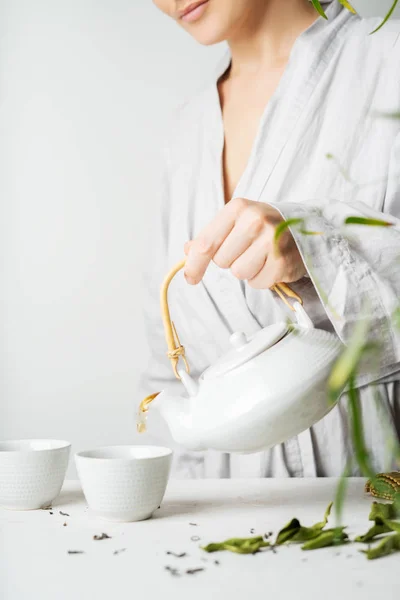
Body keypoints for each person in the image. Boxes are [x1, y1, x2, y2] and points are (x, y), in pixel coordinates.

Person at [138, 0, 400, 478]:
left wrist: (316, 248)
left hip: (377, 502)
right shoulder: (186, 132)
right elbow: (169, 366)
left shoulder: (389, 63)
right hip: (224, 525)